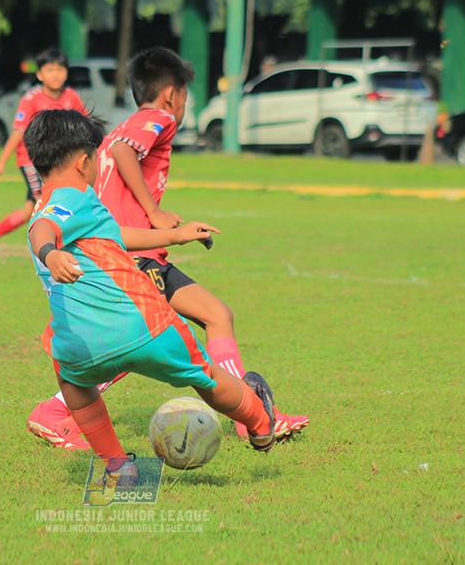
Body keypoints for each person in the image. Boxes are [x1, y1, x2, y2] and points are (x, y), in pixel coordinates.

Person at [27, 47, 308, 450]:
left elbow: (104, 209)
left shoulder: (120, 130)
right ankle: (55, 410)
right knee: (140, 343)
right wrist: (154, 211)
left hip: (133, 251)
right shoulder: (157, 118)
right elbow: (118, 158)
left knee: (214, 315)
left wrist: (175, 235)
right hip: (125, 265)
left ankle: (251, 420)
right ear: (172, 94)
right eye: (185, 97)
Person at [23, 109, 278, 482]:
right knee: (203, 374)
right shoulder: (70, 199)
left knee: (73, 384)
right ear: (83, 162)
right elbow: (43, 231)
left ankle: (117, 466)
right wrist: (51, 253)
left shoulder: (48, 204)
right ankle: (259, 422)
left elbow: (113, 236)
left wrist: (175, 235)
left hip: (79, 344)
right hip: (143, 325)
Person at [0, 49, 85, 263]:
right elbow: (18, 132)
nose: (55, 74)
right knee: (46, 203)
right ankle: (56, 253)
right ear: (40, 74)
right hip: (31, 161)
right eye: (49, 69)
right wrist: (1, 163)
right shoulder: (31, 99)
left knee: (29, 211)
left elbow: (83, 126)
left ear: (66, 73)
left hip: (55, 162)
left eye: (60, 69)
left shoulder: (71, 97)